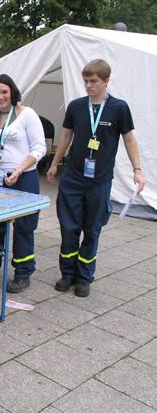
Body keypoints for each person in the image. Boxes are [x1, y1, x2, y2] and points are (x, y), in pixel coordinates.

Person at [47, 59, 145, 297]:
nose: (88, 86)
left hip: (99, 180)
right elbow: (66, 136)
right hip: (73, 177)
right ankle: (67, 273)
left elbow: (129, 139)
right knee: (69, 227)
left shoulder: (119, 108)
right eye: (86, 81)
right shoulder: (76, 106)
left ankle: (84, 277)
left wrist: (137, 170)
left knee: (92, 229)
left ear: (106, 81)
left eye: (94, 81)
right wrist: (53, 164)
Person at [0, 74, 46, 293]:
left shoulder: (27, 115)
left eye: (4, 92)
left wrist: (19, 169)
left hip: (24, 178)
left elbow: (39, 148)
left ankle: (23, 273)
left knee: (24, 227)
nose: (1, 96)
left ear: (12, 92)